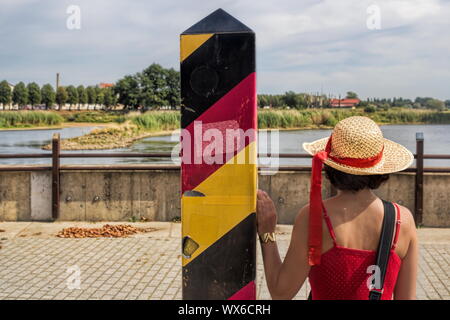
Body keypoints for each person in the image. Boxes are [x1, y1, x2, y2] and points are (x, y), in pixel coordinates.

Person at [256, 116, 418, 300]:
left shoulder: (314, 217)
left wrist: (267, 234)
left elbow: (281, 292)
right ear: (381, 169)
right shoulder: (402, 220)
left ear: (331, 167)